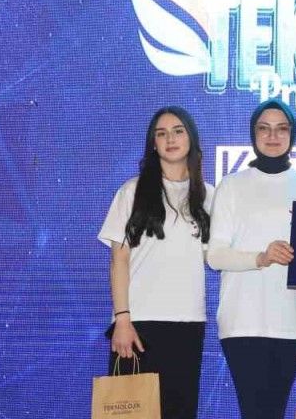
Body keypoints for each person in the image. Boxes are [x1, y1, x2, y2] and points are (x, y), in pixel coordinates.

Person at [207, 98, 296, 419]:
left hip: (291, 320)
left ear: (292, 134)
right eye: (264, 129)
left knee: (274, 411)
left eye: (281, 129)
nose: (273, 136)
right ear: (253, 134)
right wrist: (261, 257)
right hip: (241, 320)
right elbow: (215, 255)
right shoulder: (231, 186)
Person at [98, 106, 212, 419]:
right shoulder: (132, 191)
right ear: (153, 144)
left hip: (188, 324)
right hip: (138, 325)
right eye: (161, 134)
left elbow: (218, 255)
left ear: (191, 138)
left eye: (178, 131)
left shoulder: (209, 196)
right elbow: (119, 258)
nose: (170, 139)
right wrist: (122, 319)